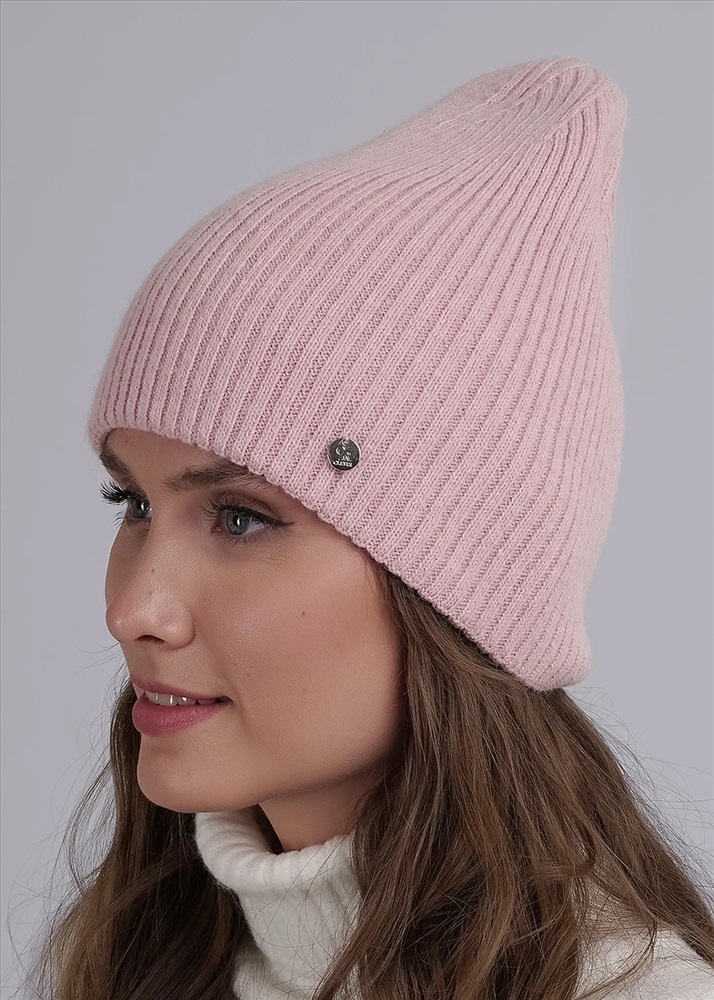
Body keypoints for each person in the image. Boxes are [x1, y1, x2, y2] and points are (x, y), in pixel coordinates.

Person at [24, 56, 714, 999]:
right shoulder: (146, 963)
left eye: (240, 517)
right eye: (135, 505)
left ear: (457, 589)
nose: (134, 609)